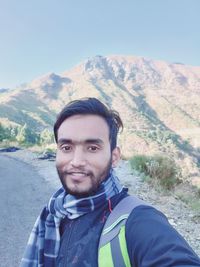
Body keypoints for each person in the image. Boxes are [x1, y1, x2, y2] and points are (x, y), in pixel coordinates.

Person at [21, 97, 200, 267]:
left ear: (114, 157)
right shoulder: (53, 213)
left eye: (92, 148)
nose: (76, 161)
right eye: (66, 148)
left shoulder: (138, 220)